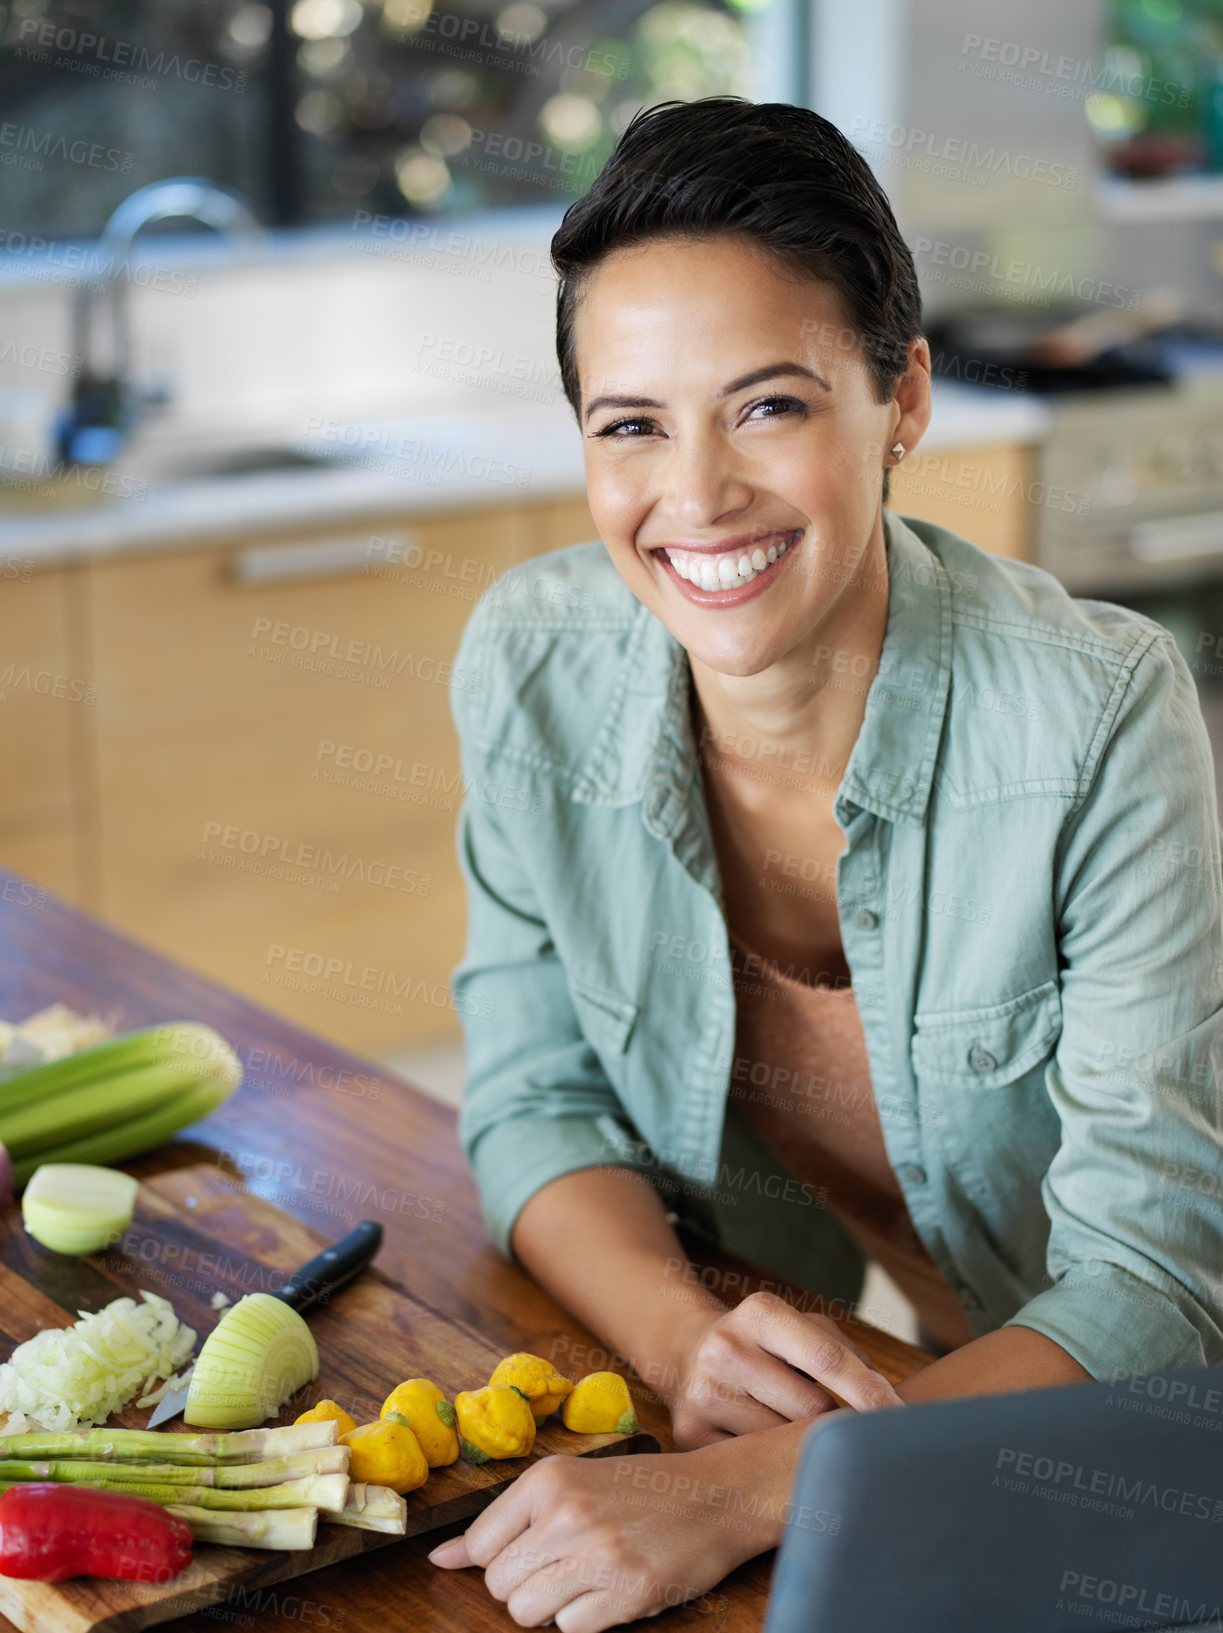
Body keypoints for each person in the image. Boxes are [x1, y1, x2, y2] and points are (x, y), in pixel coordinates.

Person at [428, 96, 1223, 1630]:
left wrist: (742, 1484)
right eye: (633, 425)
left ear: (903, 398)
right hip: (947, 1386)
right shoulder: (531, 662)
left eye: (771, 405)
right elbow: (534, 1096)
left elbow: (1158, 1279)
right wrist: (680, 1342)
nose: (699, 494)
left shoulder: (1098, 709)